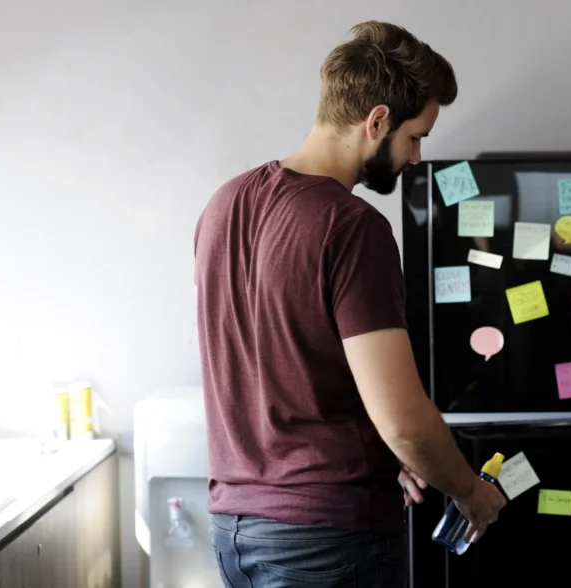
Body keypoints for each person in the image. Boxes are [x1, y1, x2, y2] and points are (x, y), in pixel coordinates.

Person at [193, 21, 507, 588]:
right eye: (416, 137)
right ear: (377, 121)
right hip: (329, 541)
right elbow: (404, 420)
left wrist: (389, 452)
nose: (415, 158)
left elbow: (290, 366)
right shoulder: (352, 227)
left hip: (235, 531)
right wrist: (469, 492)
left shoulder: (224, 205)